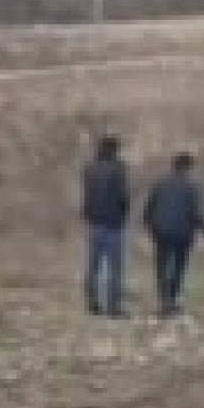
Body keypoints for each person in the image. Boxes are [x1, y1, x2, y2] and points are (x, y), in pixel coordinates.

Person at [143, 151, 204, 318]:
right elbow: (195, 213)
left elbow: (149, 207)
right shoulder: (192, 187)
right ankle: (172, 300)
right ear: (188, 167)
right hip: (183, 233)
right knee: (179, 266)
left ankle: (164, 300)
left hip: (161, 231)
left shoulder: (159, 183)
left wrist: (150, 227)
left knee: (162, 265)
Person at [80, 134, 131, 318]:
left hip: (93, 222)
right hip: (113, 222)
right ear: (114, 150)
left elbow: (87, 194)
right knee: (114, 267)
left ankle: (92, 302)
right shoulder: (118, 168)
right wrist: (124, 214)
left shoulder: (89, 168)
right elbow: (123, 196)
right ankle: (113, 306)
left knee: (93, 265)